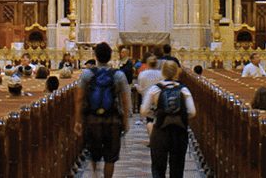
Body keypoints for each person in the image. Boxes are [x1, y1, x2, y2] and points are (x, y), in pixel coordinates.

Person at [74, 41, 130, 178]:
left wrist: (78, 121)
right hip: (112, 119)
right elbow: (124, 100)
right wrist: (126, 119)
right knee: (110, 156)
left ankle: (95, 174)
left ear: (95, 56)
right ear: (111, 56)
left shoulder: (87, 74)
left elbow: (79, 99)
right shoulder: (118, 75)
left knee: (94, 153)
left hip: (92, 119)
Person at [140, 60, 195, 178]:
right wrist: (180, 115)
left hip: (160, 130)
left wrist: (156, 115)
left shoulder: (155, 89)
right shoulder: (183, 89)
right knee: (177, 167)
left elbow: (144, 110)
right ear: (177, 72)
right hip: (179, 132)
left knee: (158, 167)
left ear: (162, 72)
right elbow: (192, 111)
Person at [134, 55, 163, 134]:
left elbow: (141, 88)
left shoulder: (143, 74)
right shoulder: (161, 74)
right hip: (159, 98)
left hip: (147, 98)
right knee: (158, 119)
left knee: (149, 120)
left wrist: (137, 88)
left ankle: (151, 138)